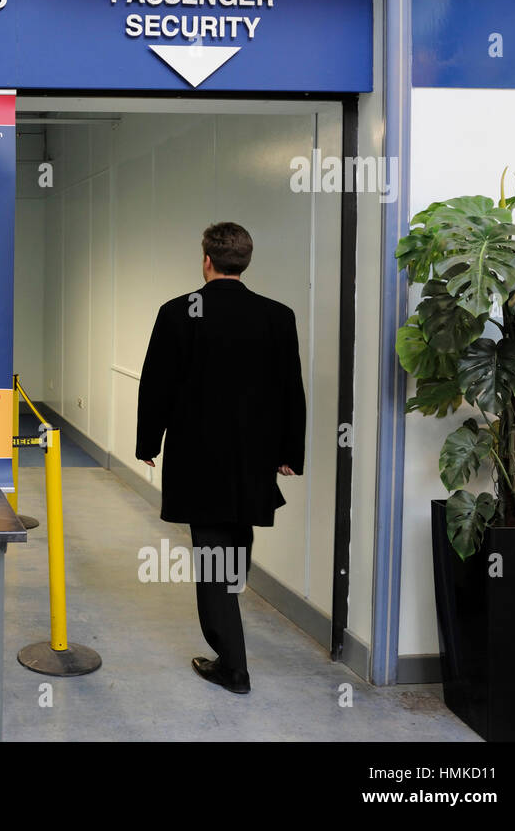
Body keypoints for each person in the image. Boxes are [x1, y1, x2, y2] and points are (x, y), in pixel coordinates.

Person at [135, 222, 305, 695]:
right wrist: (291, 451)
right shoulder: (277, 315)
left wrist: (148, 442)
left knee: (214, 561)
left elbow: (157, 385)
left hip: (199, 461)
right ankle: (229, 636)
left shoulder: (177, 313)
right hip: (254, 461)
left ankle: (233, 667)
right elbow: (291, 388)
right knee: (234, 548)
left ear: (206, 260)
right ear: (245, 261)